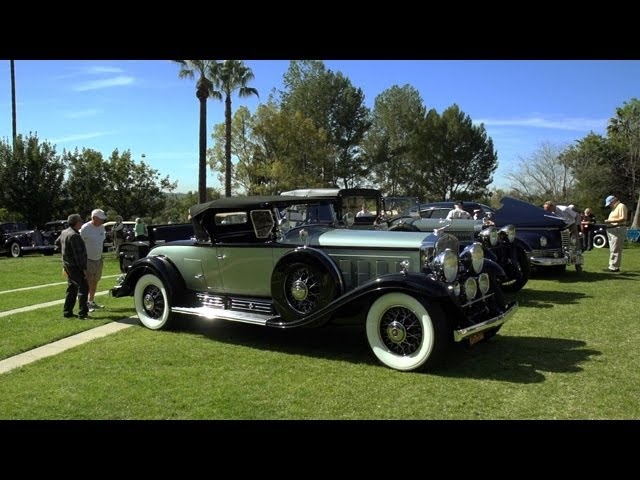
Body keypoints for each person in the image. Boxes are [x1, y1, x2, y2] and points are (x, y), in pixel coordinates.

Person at [54, 214, 90, 319]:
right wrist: (84, 270)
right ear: (76, 222)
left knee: (72, 288)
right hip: (75, 267)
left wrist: (65, 254)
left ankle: (67, 312)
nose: (82, 223)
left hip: (67, 265)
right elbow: (79, 256)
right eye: (80, 221)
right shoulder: (74, 236)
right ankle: (83, 313)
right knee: (83, 288)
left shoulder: (64, 232)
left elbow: (57, 244)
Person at [80, 208, 107, 311]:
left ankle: (91, 301)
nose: (102, 221)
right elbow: (80, 243)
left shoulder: (101, 228)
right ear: (94, 218)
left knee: (95, 281)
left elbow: (101, 241)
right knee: (88, 281)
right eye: (100, 219)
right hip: (88, 259)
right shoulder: (85, 228)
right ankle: (86, 303)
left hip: (98, 259)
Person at [603, 195, 628, 272]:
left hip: (618, 229)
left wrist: (610, 221)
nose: (609, 205)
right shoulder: (614, 208)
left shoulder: (621, 206)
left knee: (615, 248)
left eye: (610, 203)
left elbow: (623, 218)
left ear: (613, 201)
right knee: (613, 248)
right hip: (612, 230)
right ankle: (612, 265)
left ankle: (614, 267)